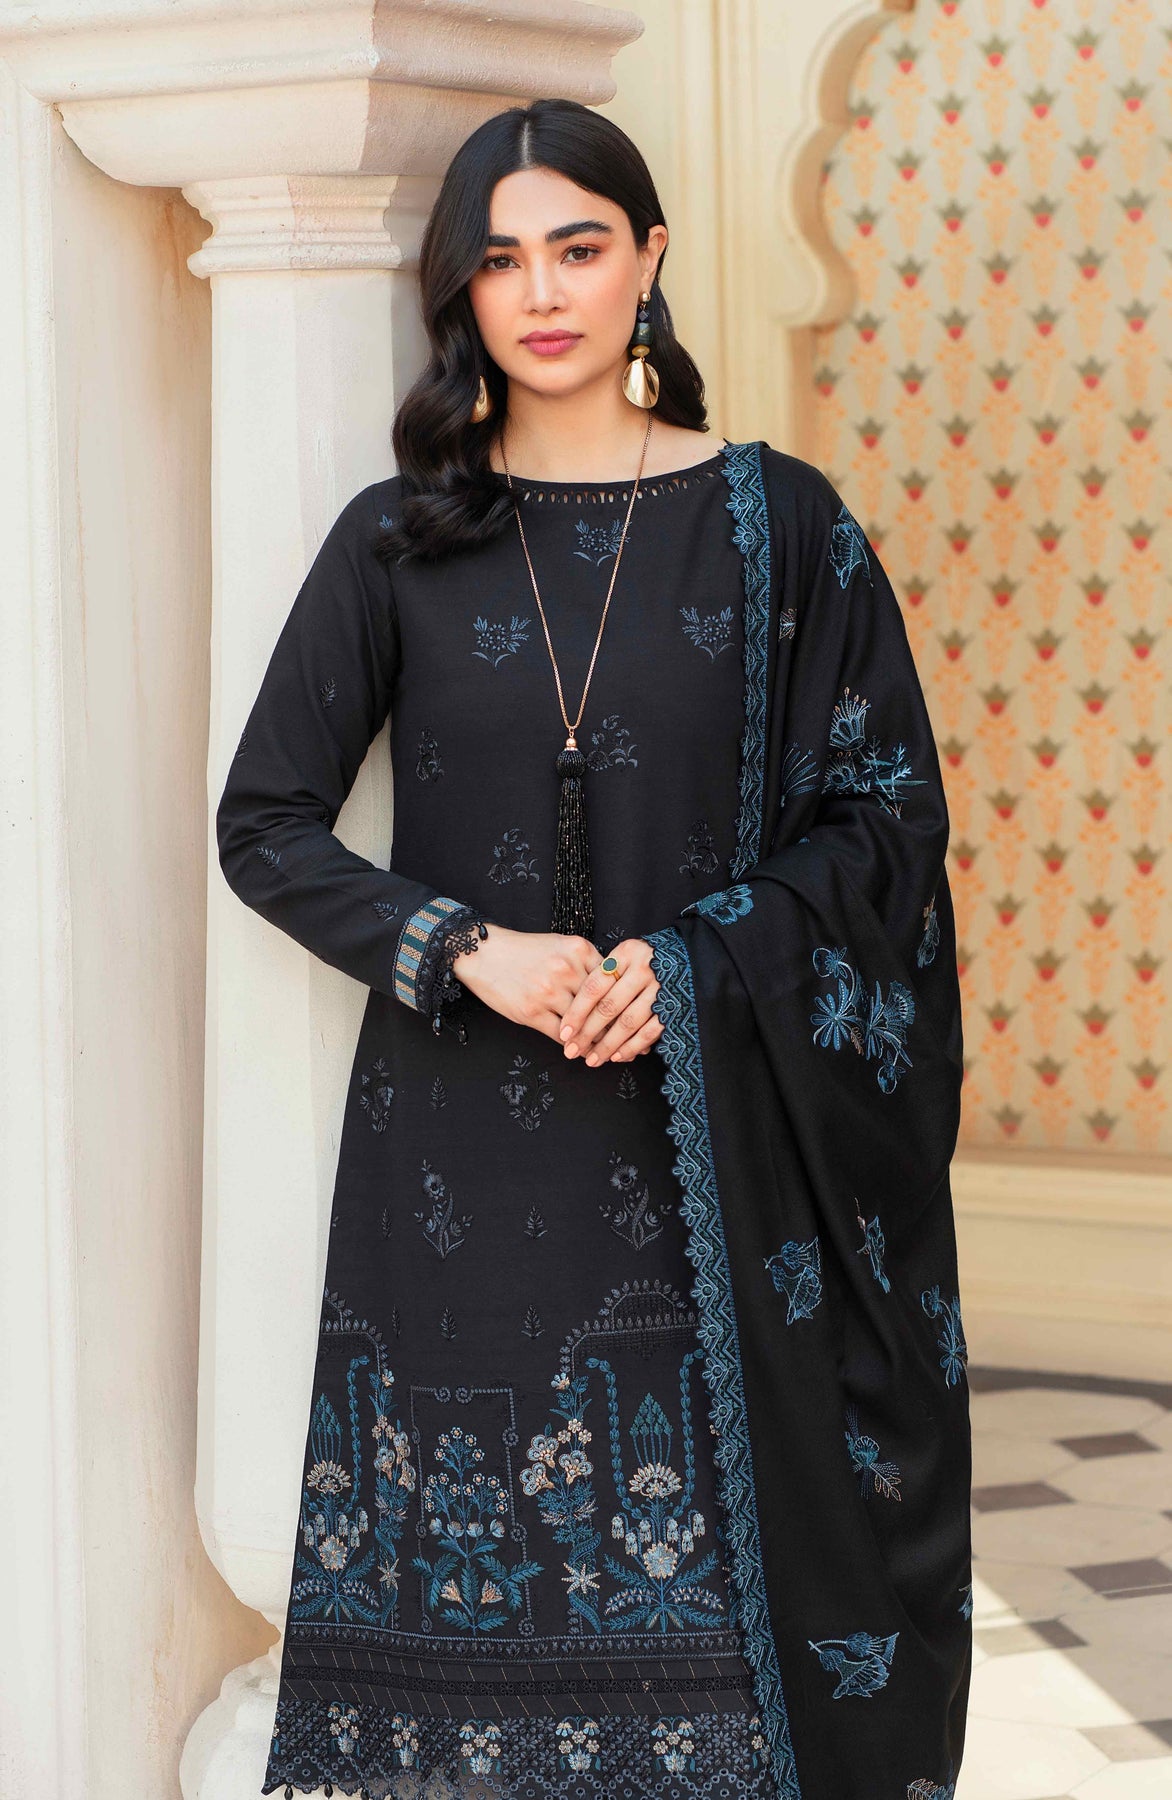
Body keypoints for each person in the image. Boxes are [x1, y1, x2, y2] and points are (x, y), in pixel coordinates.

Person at [217, 96, 971, 1800]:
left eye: (578, 247)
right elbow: (263, 823)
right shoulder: (400, 539)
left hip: (726, 1168)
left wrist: (698, 962)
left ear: (649, 261)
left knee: (727, 1690)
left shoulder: (781, 525)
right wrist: (459, 945)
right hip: (461, 1179)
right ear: (460, 293)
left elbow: (885, 821)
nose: (543, 292)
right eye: (500, 261)